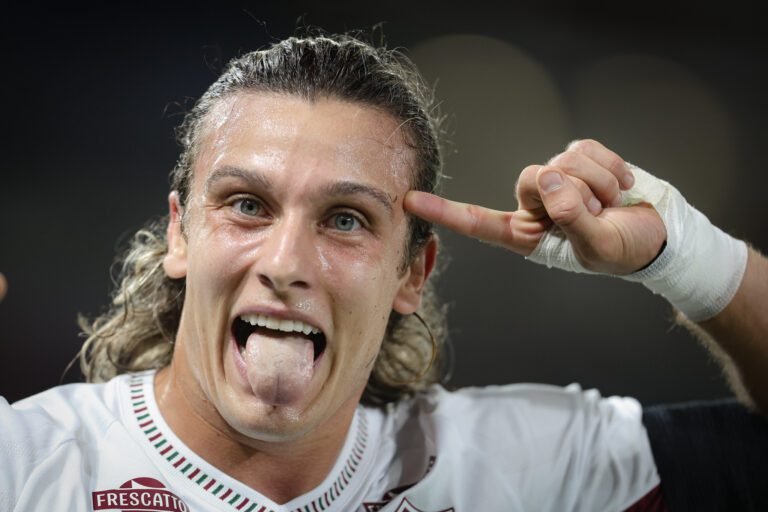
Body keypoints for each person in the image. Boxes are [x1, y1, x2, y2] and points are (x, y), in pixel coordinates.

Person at [1, 32, 766, 512]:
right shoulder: (27, 467)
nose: (286, 264)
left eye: (345, 220)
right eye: (247, 205)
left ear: (413, 273)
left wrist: (692, 259)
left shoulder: (515, 471)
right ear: (181, 234)